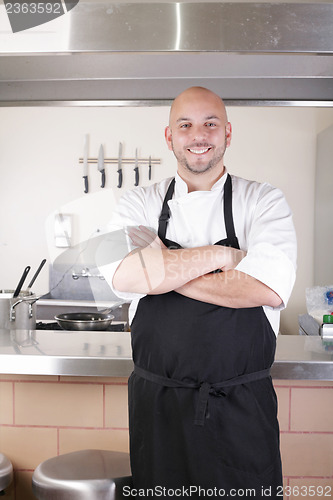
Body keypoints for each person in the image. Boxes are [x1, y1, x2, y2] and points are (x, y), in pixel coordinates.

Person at [107, 87, 297, 498]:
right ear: (169, 135)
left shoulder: (263, 202)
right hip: (159, 411)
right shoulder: (137, 202)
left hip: (240, 413)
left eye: (210, 124)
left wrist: (162, 271)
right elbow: (123, 276)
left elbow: (263, 286)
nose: (199, 135)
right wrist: (223, 256)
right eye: (186, 125)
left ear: (227, 132)